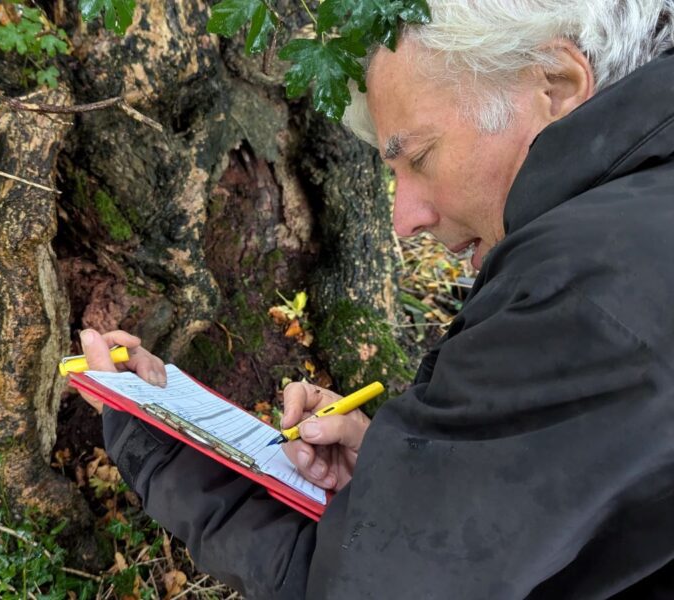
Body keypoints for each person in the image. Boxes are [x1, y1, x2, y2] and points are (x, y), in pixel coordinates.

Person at [77, 1, 674, 597]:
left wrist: (160, 452)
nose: (403, 219)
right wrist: (417, 469)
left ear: (558, 85)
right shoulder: (642, 220)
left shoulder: (576, 293)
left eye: (418, 158)